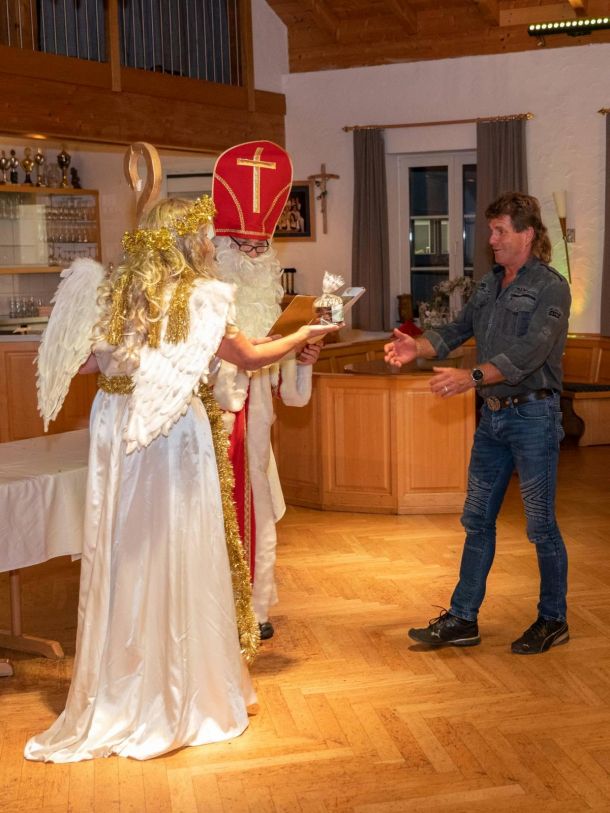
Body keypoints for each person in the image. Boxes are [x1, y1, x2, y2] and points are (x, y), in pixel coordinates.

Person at [25, 196, 336, 762]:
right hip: (170, 436)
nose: (211, 243)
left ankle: (121, 685)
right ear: (186, 241)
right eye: (207, 235)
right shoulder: (201, 295)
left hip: (116, 427)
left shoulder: (115, 292)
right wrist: (305, 332)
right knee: (177, 544)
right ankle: (183, 691)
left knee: (125, 548)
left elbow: (88, 364)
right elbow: (248, 355)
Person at [385, 192, 571, 655]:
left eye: (500, 230)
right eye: (491, 230)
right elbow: (456, 329)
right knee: (477, 519)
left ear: (527, 234)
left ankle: (553, 619)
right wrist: (416, 346)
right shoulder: (488, 284)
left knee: (540, 525)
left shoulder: (551, 287)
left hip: (534, 417)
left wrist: (470, 377)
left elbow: (530, 353)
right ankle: (463, 617)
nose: (491, 239)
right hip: (492, 420)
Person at [212, 140, 320, 640]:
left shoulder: (265, 301)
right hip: (213, 425)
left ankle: (255, 610)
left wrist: (302, 360)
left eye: (262, 248)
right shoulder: (205, 302)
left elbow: (290, 397)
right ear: (221, 246)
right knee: (215, 517)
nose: (254, 257)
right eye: (244, 246)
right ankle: (216, 613)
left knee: (257, 514)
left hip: (254, 433)